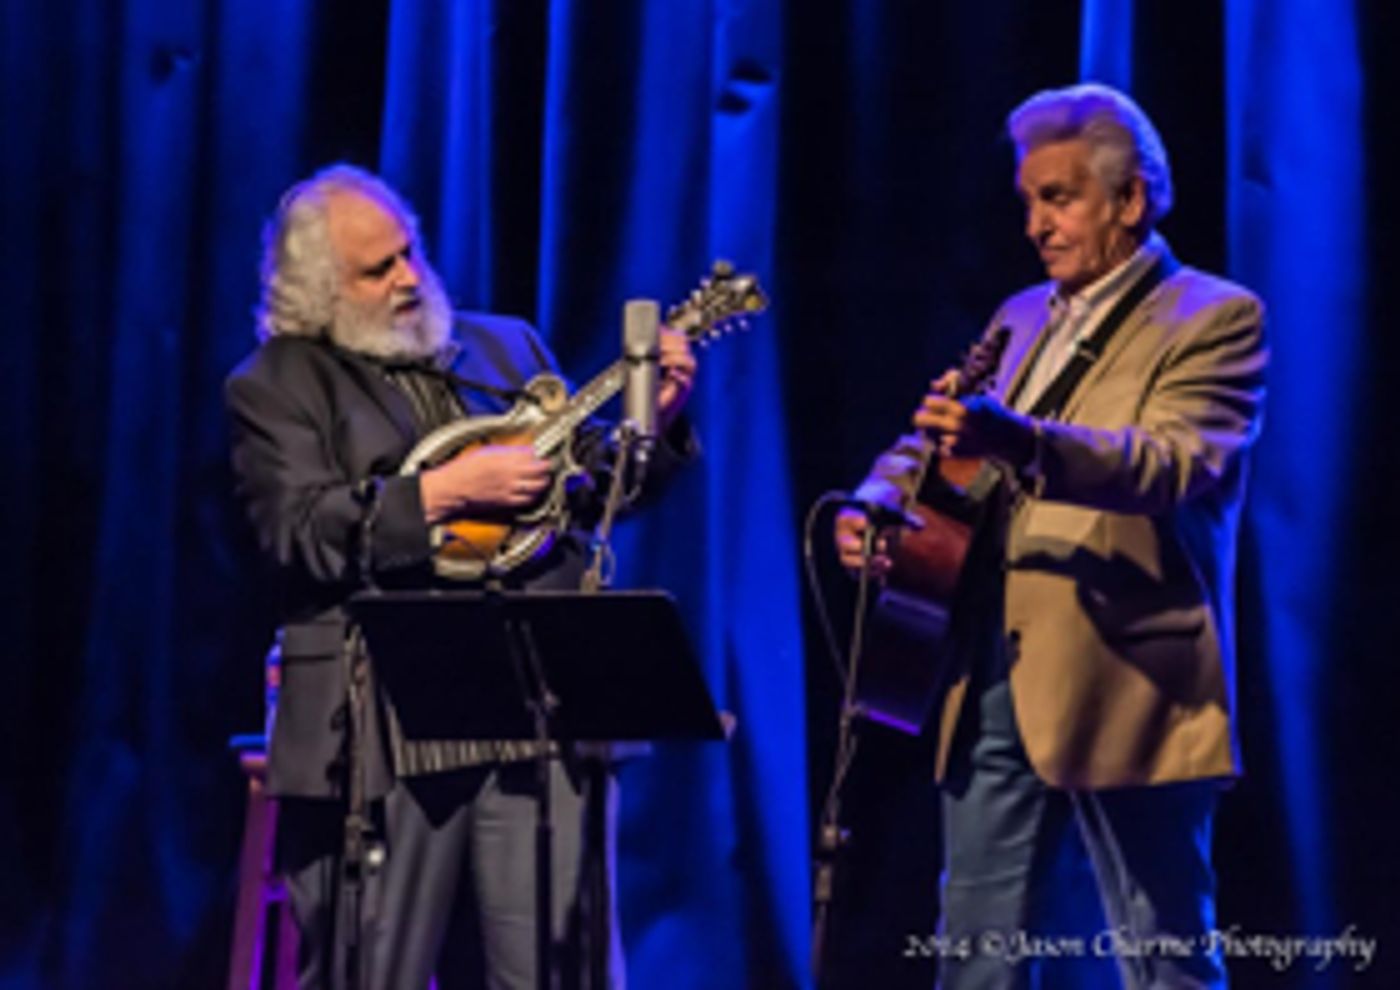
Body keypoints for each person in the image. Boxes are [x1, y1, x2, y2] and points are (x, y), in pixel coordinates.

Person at [226, 164, 698, 989]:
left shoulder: (503, 347)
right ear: (317, 290)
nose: (408, 278)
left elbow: (593, 499)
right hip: (382, 723)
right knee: (373, 970)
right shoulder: (279, 384)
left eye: (409, 254)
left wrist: (652, 425)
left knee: (557, 968)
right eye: (378, 270)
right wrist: (439, 496)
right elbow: (299, 530)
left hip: (534, 702)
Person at [836, 84, 1266, 988]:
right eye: (1029, 199)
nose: (1035, 223)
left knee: (1164, 951)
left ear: (1131, 201)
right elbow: (932, 440)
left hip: (1130, 674)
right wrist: (874, 505)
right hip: (991, 666)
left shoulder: (1216, 316)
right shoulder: (1020, 315)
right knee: (977, 950)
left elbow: (1172, 465)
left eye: (1059, 197)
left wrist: (1017, 438)